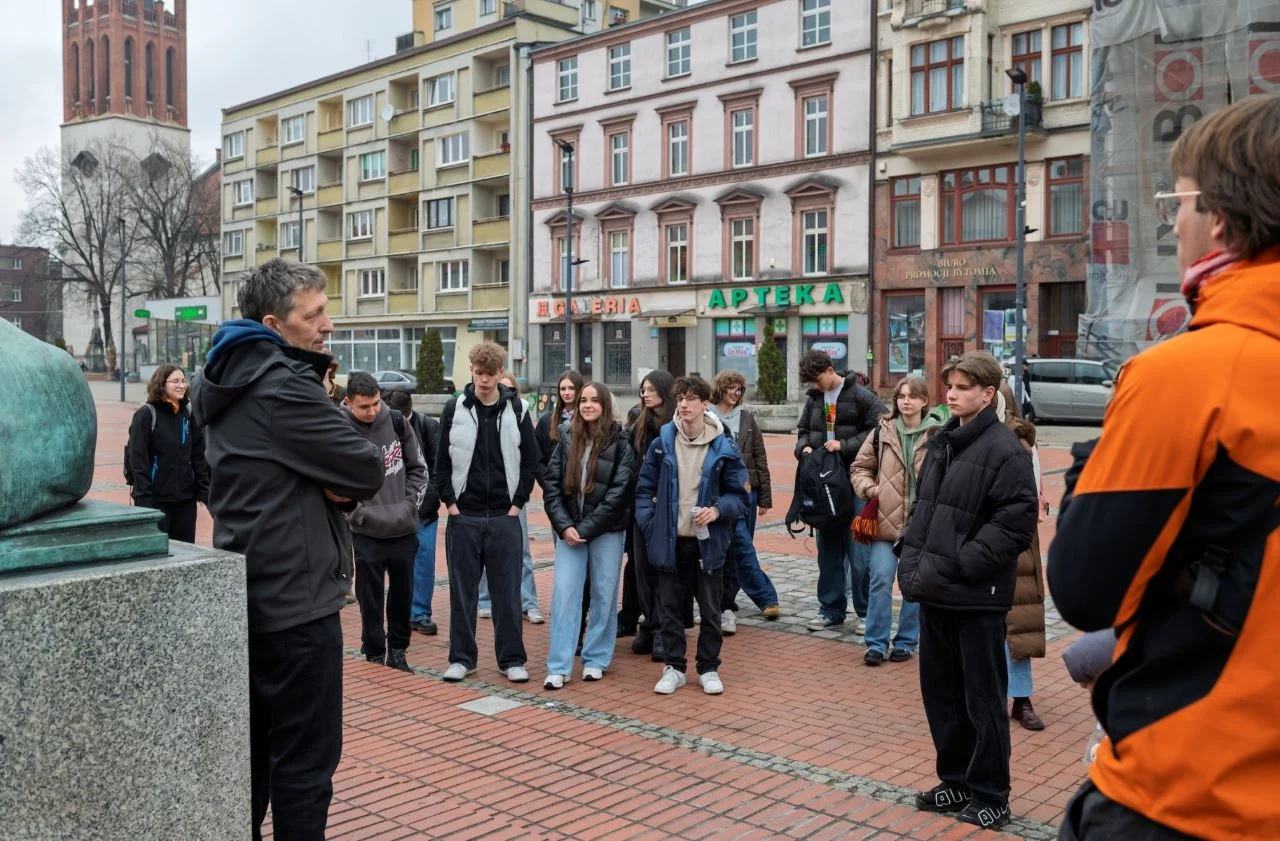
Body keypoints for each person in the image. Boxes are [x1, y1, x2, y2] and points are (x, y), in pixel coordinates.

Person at [1050, 95, 1280, 841]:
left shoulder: (1192, 371)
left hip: (1190, 785)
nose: (1171, 224)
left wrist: (1090, 464)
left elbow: (1085, 585)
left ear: (1219, 219)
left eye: (1175, 203)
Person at [189, 259, 385, 841]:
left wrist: (322, 482)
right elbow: (367, 467)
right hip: (298, 606)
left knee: (250, 760)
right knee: (303, 766)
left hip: (249, 595)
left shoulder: (223, 379)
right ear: (274, 324)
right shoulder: (280, 386)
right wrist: (334, 481)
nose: (328, 324)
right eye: (315, 313)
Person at [897, 351, 1037, 831]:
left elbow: (1017, 520)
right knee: (940, 694)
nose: (952, 394)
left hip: (976, 594)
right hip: (935, 589)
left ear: (988, 393)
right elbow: (928, 506)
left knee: (983, 699)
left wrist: (967, 560)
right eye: (950, 386)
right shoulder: (944, 441)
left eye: (962, 387)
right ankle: (954, 778)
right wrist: (912, 548)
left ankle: (991, 792)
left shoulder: (1005, 449)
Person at [635, 376, 749, 696]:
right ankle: (674, 667)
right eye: (680, 399)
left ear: (705, 403)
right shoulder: (663, 441)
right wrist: (650, 524)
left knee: (711, 611)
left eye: (690, 399)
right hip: (671, 541)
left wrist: (717, 511)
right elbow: (643, 490)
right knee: (670, 609)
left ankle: (708, 667)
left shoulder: (724, 446)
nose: (683, 405)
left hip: (707, 541)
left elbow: (739, 496)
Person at [435, 341, 539, 684]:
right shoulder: (455, 408)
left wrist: (517, 504)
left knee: (507, 592)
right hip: (463, 515)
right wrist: (451, 505)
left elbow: (530, 461)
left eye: (490, 374)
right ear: (471, 372)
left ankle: (512, 659)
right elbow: (441, 463)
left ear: (500, 374)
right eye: (478, 373)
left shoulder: (519, 409)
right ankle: (462, 658)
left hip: (503, 517)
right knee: (461, 592)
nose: (483, 380)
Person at [541, 382, 635, 688]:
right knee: (565, 594)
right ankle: (559, 665)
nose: (588, 405)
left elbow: (620, 493)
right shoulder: (567, 437)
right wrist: (564, 526)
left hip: (605, 531)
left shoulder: (621, 441)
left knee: (604, 595)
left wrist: (584, 528)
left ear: (605, 405)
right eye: (584, 400)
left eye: (595, 400)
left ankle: (595, 658)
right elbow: (551, 486)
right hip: (569, 531)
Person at [850, 376, 940, 666]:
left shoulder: (937, 435)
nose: (906, 401)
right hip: (884, 524)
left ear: (924, 401)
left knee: (913, 586)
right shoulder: (882, 431)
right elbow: (860, 467)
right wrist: (873, 489)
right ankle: (876, 643)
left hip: (920, 525)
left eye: (913, 396)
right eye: (901, 396)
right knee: (879, 579)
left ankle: (906, 641)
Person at [341, 373, 428, 673]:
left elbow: (419, 469)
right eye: (364, 406)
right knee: (370, 597)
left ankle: (398, 651)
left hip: (403, 527)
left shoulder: (396, 422)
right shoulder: (339, 429)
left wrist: (408, 507)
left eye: (376, 403)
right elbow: (336, 482)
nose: (372, 411)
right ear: (348, 401)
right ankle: (375, 650)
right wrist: (359, 513)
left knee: (402, 595)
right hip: (366, 531)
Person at [795, 351, 886, 633]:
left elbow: (880, 431)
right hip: (824, 486)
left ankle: (865, 612)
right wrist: (804, 449)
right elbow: (801, 432)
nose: (816, 385)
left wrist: (844, 445)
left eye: (818, 378)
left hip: (855, 484)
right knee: (828, 552)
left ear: (831, 369)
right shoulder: (813, 399)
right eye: (811, 381)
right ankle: (830, 610)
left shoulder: (862, 396)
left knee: (859, 554)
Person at [709, 370, 781, 630]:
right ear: (721, 388)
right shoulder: (709, 416)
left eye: (740, 389)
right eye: (731, 388)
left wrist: (765, 497)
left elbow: (760, 457)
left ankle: (726, 603)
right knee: (739, 545)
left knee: (740, 547)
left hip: (748, 490)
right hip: (719, 490)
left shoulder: (748, 418)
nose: (736, 393)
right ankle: (766, 598)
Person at [995, 389, 1048, 731]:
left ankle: (1021, 697)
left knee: (1020, 619)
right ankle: (984, 693)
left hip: (1017, 541)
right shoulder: (954, 433)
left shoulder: (1021, 440)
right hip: (972, 541)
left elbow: (1033, 492)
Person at [476, 373, 544, 624]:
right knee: (485, 550)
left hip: (514, 495)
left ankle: (528, 602)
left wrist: (521, 496)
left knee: (521, 550)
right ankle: (485, 600)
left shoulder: (519, 413)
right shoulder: (477, 413)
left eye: (509, 389)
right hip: (485, 496)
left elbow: (530, 459)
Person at [624, 370, 678, 660]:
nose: (644, 394)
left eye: (649, 389)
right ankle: (650, 622)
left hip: (669, 509)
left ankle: (661, 629)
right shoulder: (638, 424)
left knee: (664, 571)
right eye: (642, 389)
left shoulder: (676, 426)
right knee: (640, 569)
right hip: (641, 507)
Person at [126, 364, 210, 542]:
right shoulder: (146, 415)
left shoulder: (187, 414)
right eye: (175, 381)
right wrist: (144, 502)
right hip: (157, 502)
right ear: (162, 384)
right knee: (158, 557)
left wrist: (204, 491)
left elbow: (198, 455)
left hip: (185, 502)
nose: (182, 385)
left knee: (186, 554)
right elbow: (138, 461)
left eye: (183, 381)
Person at [384, 390, 441, 637]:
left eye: (404, 417)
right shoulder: (381, 426)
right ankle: (401, 613)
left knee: (424, 560)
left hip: (423, 509)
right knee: (397, 562)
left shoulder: (428, 426)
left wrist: (429, 498)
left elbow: (438, 466)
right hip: (392, 507)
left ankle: (420, 613)